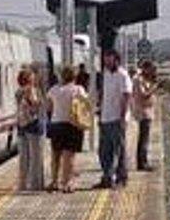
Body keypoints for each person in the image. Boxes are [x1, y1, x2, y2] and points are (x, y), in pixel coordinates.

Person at [45, 65, 88, 192]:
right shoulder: (78, 89)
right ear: (74, 76)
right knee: (69, 157)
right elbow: (84, 105)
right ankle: (67, 183)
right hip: (72, 125)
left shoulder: (53, 89)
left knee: (55, 155)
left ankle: (54, 182)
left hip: (56, 125)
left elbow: (48, 108)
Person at [95, 49, 133, 188]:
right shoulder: (105, 74)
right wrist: (99, 112)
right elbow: (103, 94)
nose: (106, 62)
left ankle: (122, 178)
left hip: (117, 118)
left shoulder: (123, 75)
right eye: (105, 59)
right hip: (105, 118)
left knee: (119, 149)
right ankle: (107, 177)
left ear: (116, 60)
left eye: (109, 59)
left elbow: (126, 96)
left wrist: (122, 117)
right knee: (104, 151)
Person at [14, 66, 47, 191]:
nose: (35, 78)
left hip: (21, 125)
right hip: (33, 125)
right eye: (32, 76)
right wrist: (41, 103)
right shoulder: (31, 90)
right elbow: (35, 105)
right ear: (29, 79)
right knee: (36, 157)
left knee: (24, 158)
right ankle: (35, 185)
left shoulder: (18, 91)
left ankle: (22, 184)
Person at [133, 60, 159, 170]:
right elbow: (143, 95)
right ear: (145, 68)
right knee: (144, 138)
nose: (152, 72)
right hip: (143, 112)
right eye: (151, 69)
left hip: (147, 111)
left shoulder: (143, 79)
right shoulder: (139, 80)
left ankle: (143, 161)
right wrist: (153, 88)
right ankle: (142, 163)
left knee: (144, 138)